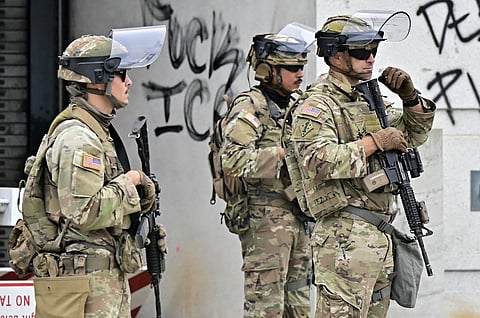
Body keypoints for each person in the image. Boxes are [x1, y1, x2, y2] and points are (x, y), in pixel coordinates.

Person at [287, 12, 436, 318]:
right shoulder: (317, 104)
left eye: (374, 51)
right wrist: (375, 143)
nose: (370, 59)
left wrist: (410, 98)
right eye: (361, 52)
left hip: (378, 233)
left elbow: (413, 136)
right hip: (344, 235)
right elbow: (317, 159)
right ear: (335, 55)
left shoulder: (367, 99)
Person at [31, 26, 167, 317]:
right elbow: (83, 210)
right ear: (98, 78)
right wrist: (131, 183)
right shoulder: (78, 138)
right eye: (121, 74)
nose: (129, 82)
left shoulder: (97, 132)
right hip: (86, 289)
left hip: (101, 281)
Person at [220, 24, 315, 317]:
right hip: (265, 221)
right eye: (291, 68)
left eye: (301, 66)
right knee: (265, 308)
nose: (300, 73)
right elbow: (232, 159)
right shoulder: (251, 107)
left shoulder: (297, 105)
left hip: (297, 218)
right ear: (268, 71)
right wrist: (283, 156)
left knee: (299, 308)